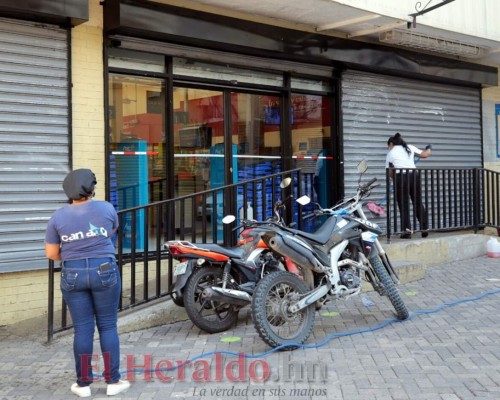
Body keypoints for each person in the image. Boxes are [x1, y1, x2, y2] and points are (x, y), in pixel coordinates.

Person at [45, 169, 130, 397]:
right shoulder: (106, 208)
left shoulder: (58, 216)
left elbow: (52, 253)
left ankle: (83, 385)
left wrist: (74, 257)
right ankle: (113, 382)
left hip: (72, 273)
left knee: (82, 329)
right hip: (104, 270)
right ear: (91, 188)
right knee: (108, 326)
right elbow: (111, 233)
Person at [386, 133, 432, 239]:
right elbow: (425, 154)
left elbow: (390, 172)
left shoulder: (390, 153)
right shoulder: (409, 147)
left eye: (388, 146)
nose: (388, 148)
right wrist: (429, 148)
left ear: (391, 144)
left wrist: (394, 181)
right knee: (418, 202)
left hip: (400, 178)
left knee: (403, 205)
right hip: (414, 177)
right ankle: (424, 227)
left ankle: (407, 232)